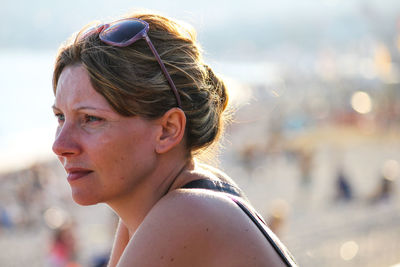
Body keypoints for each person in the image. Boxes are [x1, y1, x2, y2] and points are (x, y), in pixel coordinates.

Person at [51, 10, 297, 266]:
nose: (59, 146)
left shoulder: (187, 213)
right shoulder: (164, 208)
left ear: (168, 130)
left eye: (91, 119)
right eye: (60, 117)